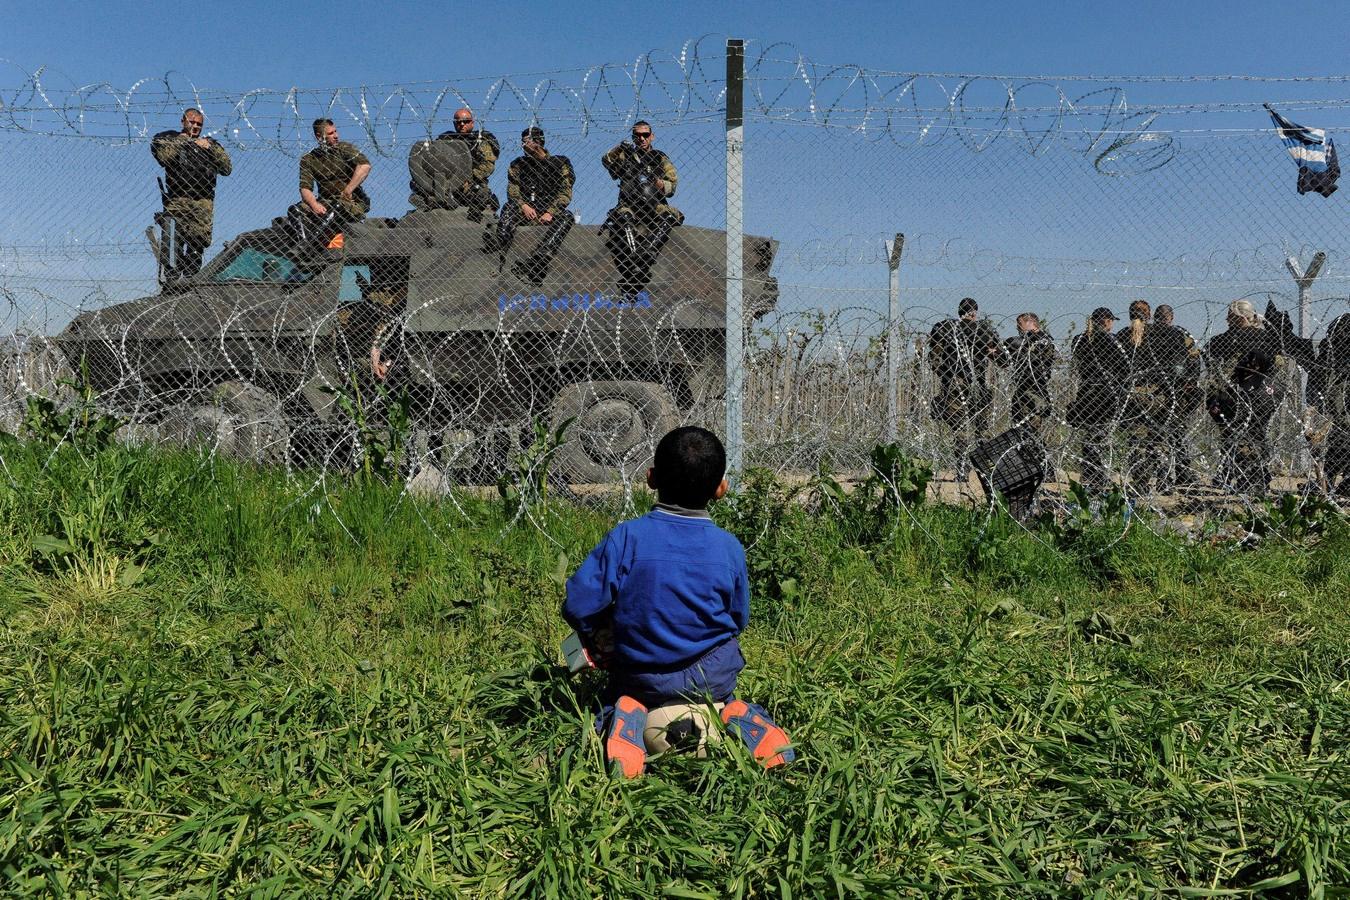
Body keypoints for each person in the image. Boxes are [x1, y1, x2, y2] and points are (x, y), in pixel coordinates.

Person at [562, 426, 794, 778]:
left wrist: (600, 630)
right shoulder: (729, 547)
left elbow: (578, 604)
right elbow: (738, 618)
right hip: (713, 678)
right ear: (721, 489)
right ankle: (734, 714)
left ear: (651, 478)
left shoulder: (628, 538)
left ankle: (621, 716)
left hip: (642, 676)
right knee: (723, 682)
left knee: (616, 693)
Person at [1206, 299, 1312, 495]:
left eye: (1230, 315)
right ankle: (1251, 475)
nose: (1227, 319)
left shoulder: (1228, 339)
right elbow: (1277, 364)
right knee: (1256, 433)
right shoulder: (1266, 338)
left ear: (1239, 317)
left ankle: (1245, 477)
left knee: (1235, 435)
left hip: (1236, 395)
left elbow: (1211, 357)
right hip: (1265, 396)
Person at [150, 107, 232, 282]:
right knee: (172, 236)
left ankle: (191, 276)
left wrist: (209, 148)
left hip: (203, 201)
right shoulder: (169, 138)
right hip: (178, 198)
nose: (195, 127)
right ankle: (172, 278)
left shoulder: (209, 144)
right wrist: (184, 141)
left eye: (199, 124)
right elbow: (164, 157)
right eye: (191, 122)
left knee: (198, 240)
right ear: (183, 122)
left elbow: (226, 168)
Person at [928, 297, 1005, 479]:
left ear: (959, 311)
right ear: (974, 312)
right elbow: (1001, 359)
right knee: (982, 429)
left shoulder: (945, 328)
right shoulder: (984, 331)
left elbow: (934, 357)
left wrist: (945, 375)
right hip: (978, 384)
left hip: (955, 384)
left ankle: (962, 470)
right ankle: (986, 470)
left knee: (960, 430)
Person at [601, 121, 682, 294]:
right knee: (623, 218)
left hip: (655, 204)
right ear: (633, 137)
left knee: (669, 216)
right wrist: (620, 148)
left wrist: (658, 181)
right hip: (629, 204)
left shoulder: (660, 158)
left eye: (645, 135)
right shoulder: (625, 156)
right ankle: (634, 261)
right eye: (637, 135)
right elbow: (606, 161)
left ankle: (647, 254)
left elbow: (672, 187)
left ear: (652, 136)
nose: (641, 138)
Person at [494, 126, 575, 283]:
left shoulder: (560, 163)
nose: (525, 145)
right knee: (508, 208)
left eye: (529, 141)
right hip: (525, 211)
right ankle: (500, 249)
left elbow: (565, 192)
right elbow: (513, 191)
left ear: (539, 142)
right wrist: (523, 206)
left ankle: (539, 259)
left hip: (549, 214)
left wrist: (551, 212)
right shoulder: (518, 164)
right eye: (523, 142)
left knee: (567, 216)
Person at [1066, 307, 1129, 492]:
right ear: (1107, 321)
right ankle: (1098, 476)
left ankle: (1090, 473)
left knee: (1090, 433)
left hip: (1086, 390)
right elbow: (1123, 366)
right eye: (1111, 321)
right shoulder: (1111, 340)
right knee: (1100, 434)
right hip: (1106, 391)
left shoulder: (1080, 339)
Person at [292, 118, 372, 246]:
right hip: (325, 202)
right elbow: (305, 188)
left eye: (335, 131)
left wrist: (348, 190)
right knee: (295, 210)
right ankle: (303, 243)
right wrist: (314, 205)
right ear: (319, 137)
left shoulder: (344, 149)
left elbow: (364, 166)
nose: (336, 136)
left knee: (337, 208)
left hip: (350, 202)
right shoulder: (309, 159)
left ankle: (306, 247)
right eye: (330, 134)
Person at [409, 107, 500, 220]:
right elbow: (435, 160)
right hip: (446, 183)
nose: (462, 124)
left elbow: (488, 166)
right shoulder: (446, 139)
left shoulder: (480, 141)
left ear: (472, 122)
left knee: (482, 193)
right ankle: (435, 202)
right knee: (416, 184)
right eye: (458, 122)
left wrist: (466, 178)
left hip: (469, 184)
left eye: (465, 121)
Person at [1151, 304, 1204, 489]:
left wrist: (1190, 380)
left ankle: (1171, 475)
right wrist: (1191, 380)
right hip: (1172, 390)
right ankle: (1179, 474)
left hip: (1161, 390)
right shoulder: (1179, 334)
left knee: (1166, 433)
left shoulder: (1149, 333)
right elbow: (1194, 358)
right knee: (1175, 432)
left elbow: (1194, 359)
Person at [1309, 311, 1350, 498]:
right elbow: (1331, 352)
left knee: (1341, 433)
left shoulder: (1341, 322)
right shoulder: (1342, 322)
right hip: (1339, 385)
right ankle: (1329, 482)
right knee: (1341, 431)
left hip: (1338, 386)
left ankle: (1333, 482)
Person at [997, 312, 1056, 435]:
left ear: (1031, 322)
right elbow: (1004, 362)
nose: (1017, 327)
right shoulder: (1025, 342)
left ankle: (1033, 451)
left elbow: (1035, 358)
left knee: (1030, 429)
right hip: (1022, 388)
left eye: (1020, 324)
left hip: (1034, 389)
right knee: (1019, 427)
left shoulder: (1043, 340)